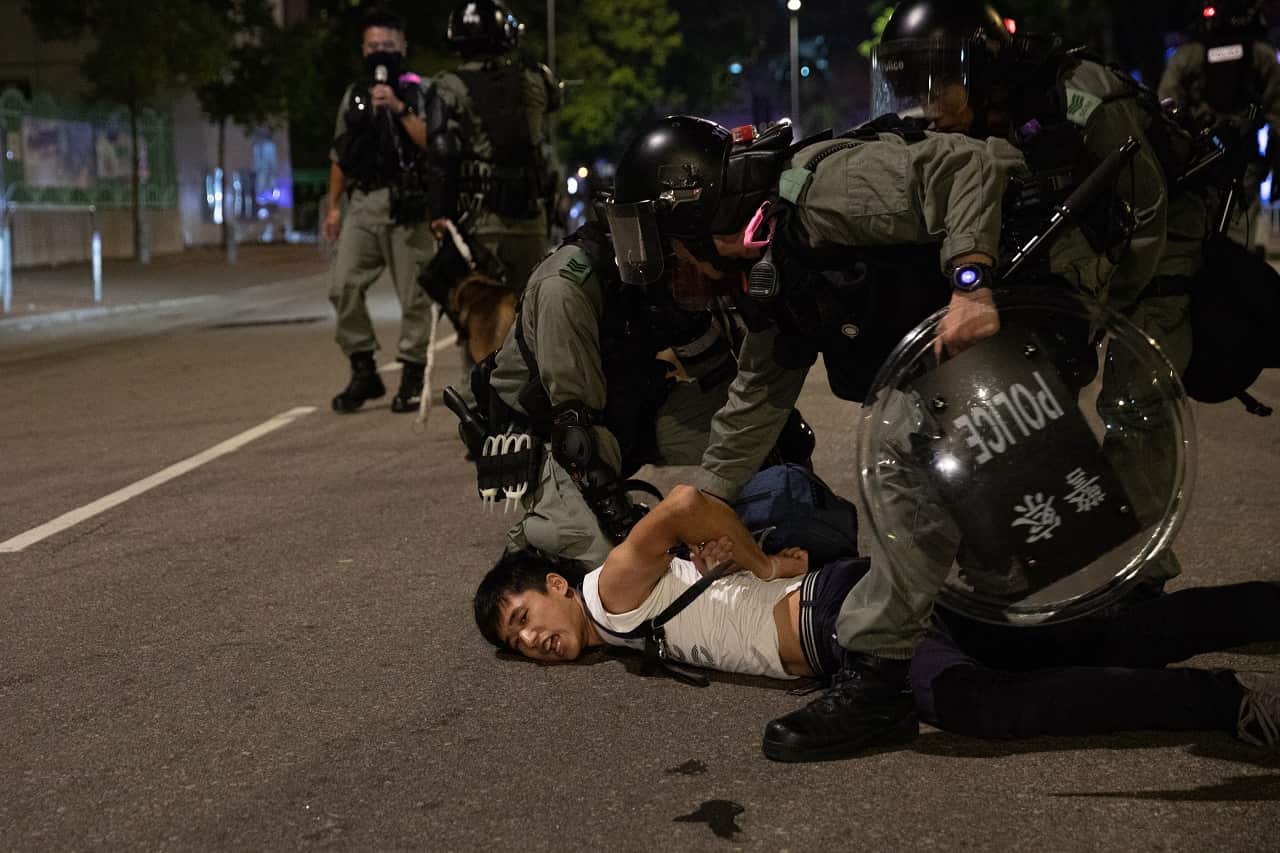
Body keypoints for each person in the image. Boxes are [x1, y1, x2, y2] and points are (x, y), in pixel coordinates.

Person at [600, 113, 1027, 760]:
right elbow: (755, 397)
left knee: (900, 459)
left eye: (665, 243)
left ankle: (879, 680)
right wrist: (710, 504)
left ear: (689, 218)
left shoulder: (816, 194)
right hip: (985, 340)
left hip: (1022, 304)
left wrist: (970, 285)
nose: (667, 268)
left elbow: (966, 165)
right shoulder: (772, 256)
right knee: (960, 496)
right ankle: (1053, 621)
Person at [471, 487, 1280, 754]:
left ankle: (1217, 705)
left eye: (522, 614)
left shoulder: (607, 590)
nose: (531, 637)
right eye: (516, 641)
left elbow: (684, 504)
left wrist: (759, 564)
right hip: (851, 594)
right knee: (1079, 636)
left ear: (553, 582)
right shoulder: (612, 613)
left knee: (977, 703)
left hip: (839, 620)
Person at [451, 211, 814, 569]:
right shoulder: (566, 287)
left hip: (629, 413)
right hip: (553, 435)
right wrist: (629, 531)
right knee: (608, 565)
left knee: (771, 432)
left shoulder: (669, 274)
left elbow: (725, 379)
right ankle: (528, 554)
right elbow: (577, 435)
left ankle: (780, 528)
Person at [426, 0, 560, 381]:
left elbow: (441, 152)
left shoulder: (447, 88)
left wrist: (439, 211)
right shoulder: (536, 77)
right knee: (532, 317)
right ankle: (538, 408)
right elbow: (553, 104)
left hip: (480, 223)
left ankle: (484, 413)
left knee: (482, 323)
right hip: (531, 220)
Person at [325, 7, 438, 414]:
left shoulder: (419, 90)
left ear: (403, 47)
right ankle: (363, 369)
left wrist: (397, 106)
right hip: (363, 204)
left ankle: (410, 375)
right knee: (342, 286)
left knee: (415, 296)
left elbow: (433, 143)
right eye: (373, 46)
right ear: (362, 48)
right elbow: (339, 154)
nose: (380, 53)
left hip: (408, 205)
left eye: (388, 46)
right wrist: (334, 208)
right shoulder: (354, 94)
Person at [1159, 0, 1280, 250]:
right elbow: (1277, 114)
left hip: (1200, 161)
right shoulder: (1262, 55)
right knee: (1240, 236)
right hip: (1244, 161)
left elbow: (1166, 106)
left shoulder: (1187, 56)